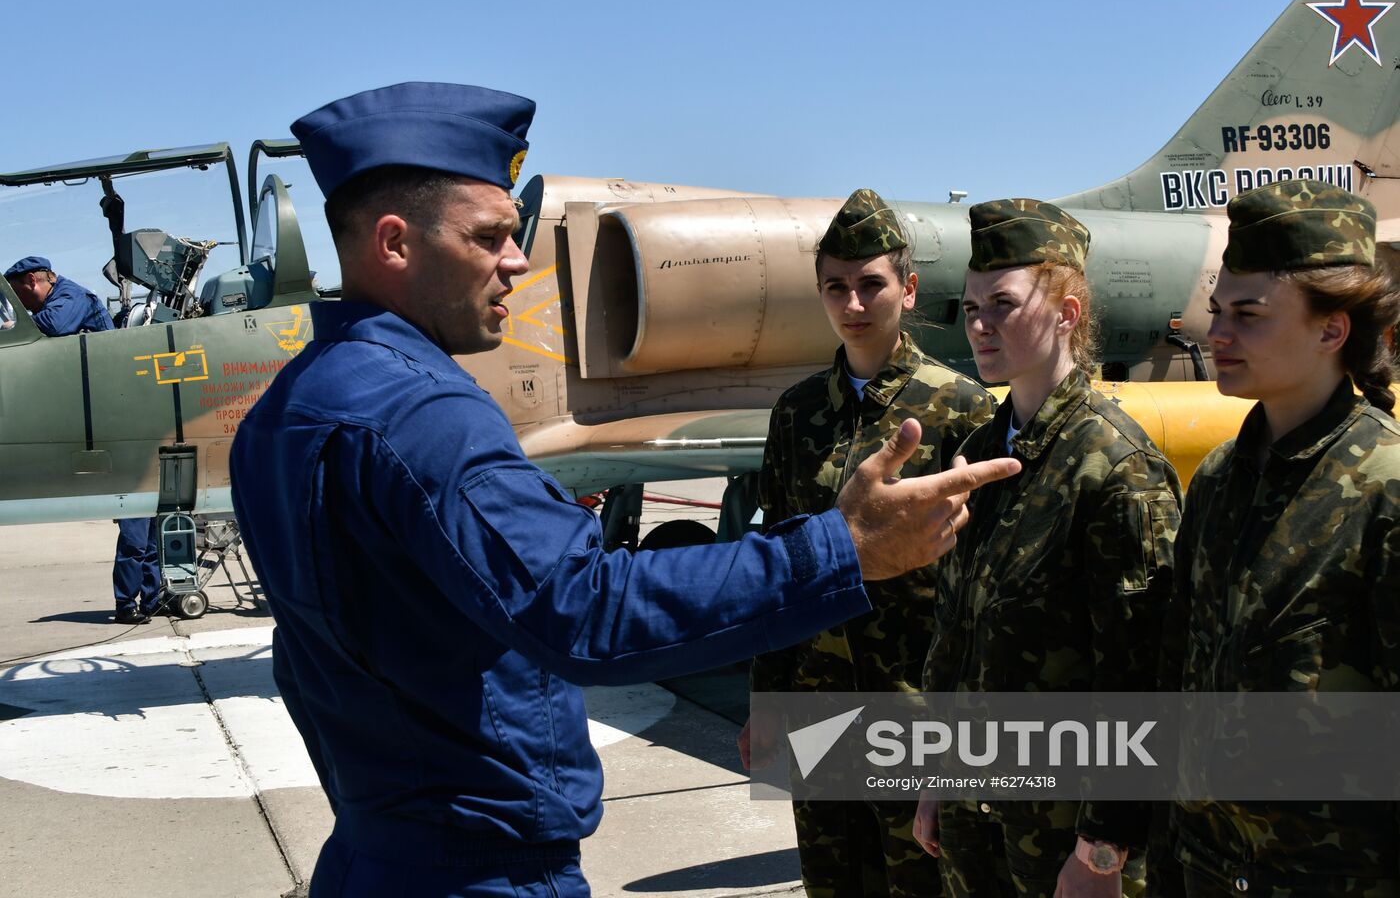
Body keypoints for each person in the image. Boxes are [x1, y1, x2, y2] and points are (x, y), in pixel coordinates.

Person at [228, 81, 1021, 897]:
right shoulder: (424, 414)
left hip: (379, 847)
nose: (514, 261)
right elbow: (586, 610)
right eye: (490, 236)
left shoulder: (285, 415)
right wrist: (840, 547)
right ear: (395, 244)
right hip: (475, 868)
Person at [911, 199, 1182, 898]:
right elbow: (955, 635)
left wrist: (1105, 846)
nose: (979, 324)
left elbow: (1142, 675)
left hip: (1065, 835)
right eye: (970, 306)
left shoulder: (1114, 465)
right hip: (977, 822)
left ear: (1067, 313)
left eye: (1002, 303)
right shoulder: (979, 452)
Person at [741, 188, 996, 897]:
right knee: (833, 881)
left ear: (908, 290)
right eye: (836, 287)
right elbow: (777, 566)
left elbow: (980, 587)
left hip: (913, 709)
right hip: (817, 709)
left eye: (871, 285)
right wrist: (766, 703)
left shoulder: (961, 407)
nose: (854, 303)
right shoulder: (795, 415)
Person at [1157, 180, 1400, 896]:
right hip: (1206, 865)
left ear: (1333, 329)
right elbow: (1179, 672)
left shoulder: (1385, 491)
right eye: (1217, 311)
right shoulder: (1223, 477)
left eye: (1250, 315)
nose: (1218, 336)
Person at [3, 255, 162, 624]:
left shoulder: (69, 297)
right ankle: (137, 600)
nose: (21, 306)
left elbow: (54, 326)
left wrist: (15, 323)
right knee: (142, 525)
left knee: (143, 527)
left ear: (32, 281)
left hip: (120, 420)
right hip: (121, 422)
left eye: (19, 295)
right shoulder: (67, 297)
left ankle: (138, 601)